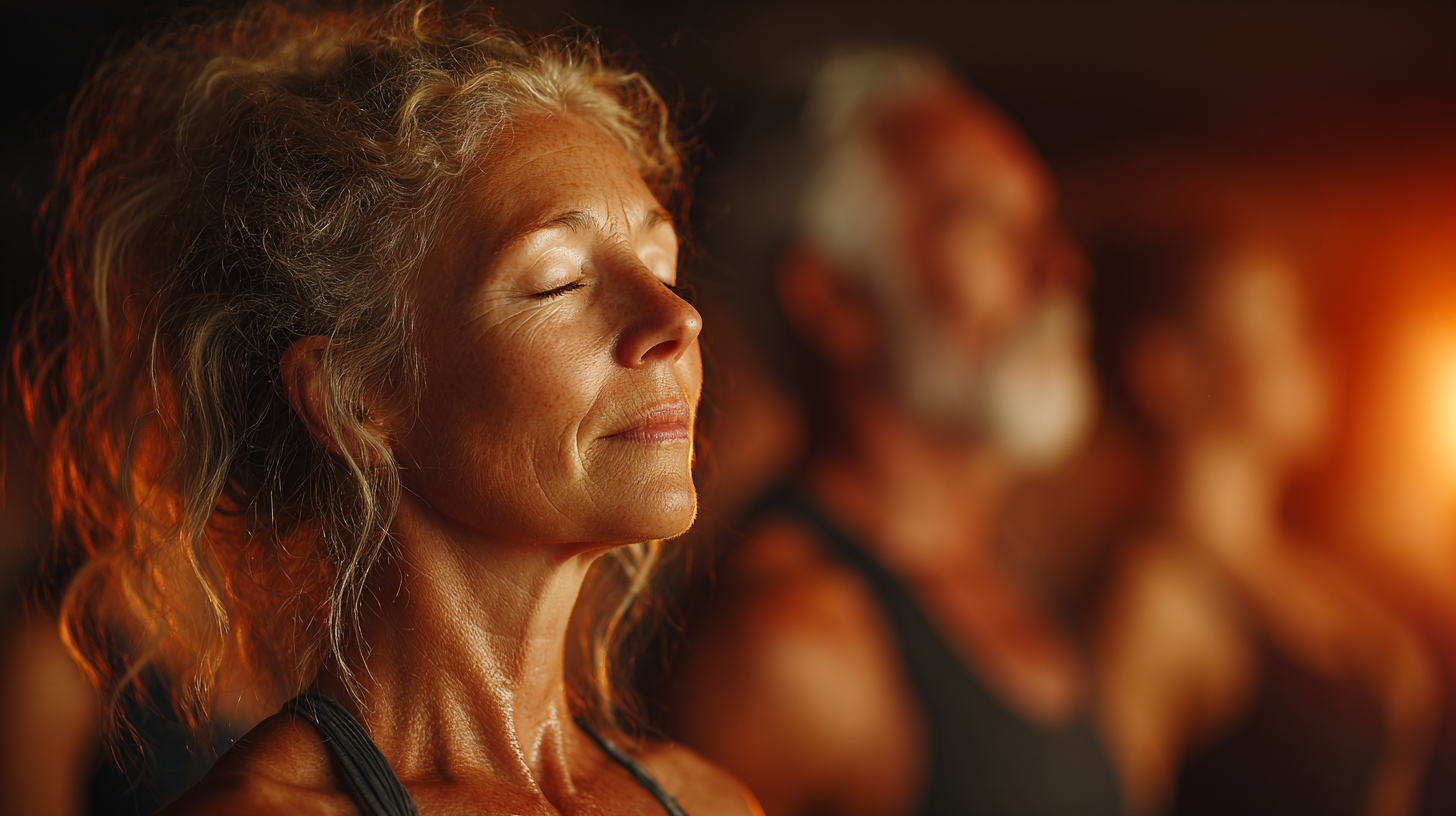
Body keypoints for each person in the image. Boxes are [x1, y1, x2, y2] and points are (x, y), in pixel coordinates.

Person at [10, 3, 760, 814]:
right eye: (558, 282)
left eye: (662, 264)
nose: (677, 321)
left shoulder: (714, 801)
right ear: (354, 398)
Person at [669, 50, 1124, 816]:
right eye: (986, 226)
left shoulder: (999, 571)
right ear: (835, 298)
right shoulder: (786, 645)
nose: (1061, 268)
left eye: (1044, 224)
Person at [1091, 234, 1438, 816]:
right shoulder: (1159, 596)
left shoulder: (1329, 580)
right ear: (1167, 371)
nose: (1311, 353)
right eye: (1272, 328)